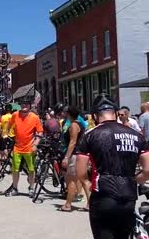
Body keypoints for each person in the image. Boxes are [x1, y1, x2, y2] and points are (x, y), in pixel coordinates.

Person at [76, 94, 149, 239]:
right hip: (128, 197)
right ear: (116, 113)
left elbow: (81, 173)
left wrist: (89, 190)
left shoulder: (90, 135)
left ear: (95, 116)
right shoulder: (136, 135)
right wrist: (133, 180)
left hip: (103, 195)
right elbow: (147, 170)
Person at [4, 97, 43, 197]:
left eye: (26, 104)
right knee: (15, 169)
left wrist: (35, 144)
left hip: (30, 147)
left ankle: (31, 188)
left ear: (30, 106)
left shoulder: (34, 117)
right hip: (17, 147)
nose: (24, 106)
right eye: (22, 104)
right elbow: (8, 125)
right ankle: (15, 188)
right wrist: (5, 134)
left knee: (31, 169)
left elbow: (40, 132)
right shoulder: (15, 115)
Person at [60, 106, 90, 212]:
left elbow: (72, 142)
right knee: (83, 179)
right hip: (82, 153)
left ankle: (68, 205)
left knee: (71, 179)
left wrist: (66, 157)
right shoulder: (81, 124)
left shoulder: (73, 125)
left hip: (74, 154)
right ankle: (90, 204)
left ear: (69, 114)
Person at [0, 104, 14, 173]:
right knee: (11, 152)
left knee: (0, 152)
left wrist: (0, 134)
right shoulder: (13, 117)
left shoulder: (2, 117)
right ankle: (11, 168)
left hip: (4, 136)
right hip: (12, 136)